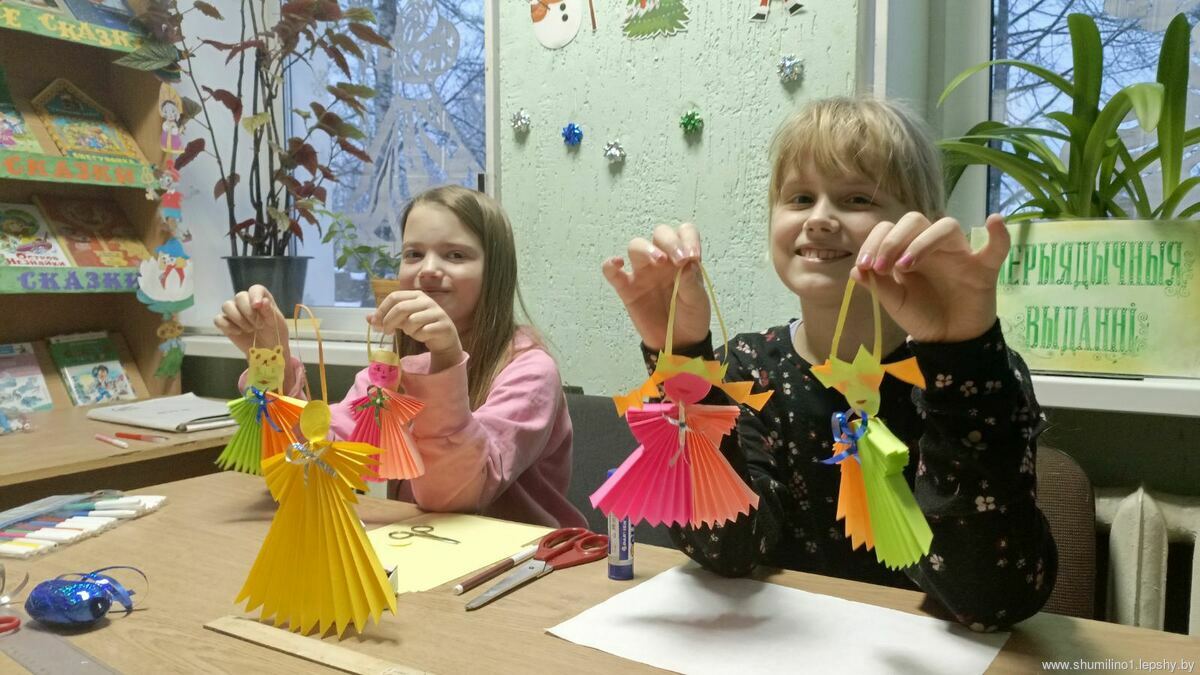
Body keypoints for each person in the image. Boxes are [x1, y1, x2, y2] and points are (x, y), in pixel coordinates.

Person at [602, 96, 1057, 631]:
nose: (818, 219)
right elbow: (730, 549)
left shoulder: (974, 373)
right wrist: (682, 358)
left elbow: (992, 599)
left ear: (920, 226)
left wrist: (962, 355)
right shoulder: (747, 368)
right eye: (799, 198)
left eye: (857, 197)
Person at [215, 185, 586, 529]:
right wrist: (270, 362)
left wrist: (445, 360)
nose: (428, 270)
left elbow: (453, 497)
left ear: (495, 273)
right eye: (413, 254)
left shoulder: (530, 370)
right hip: (426, 549)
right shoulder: (388, 374)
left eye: (455, 255)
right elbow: (312, 462)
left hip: (528, 563)